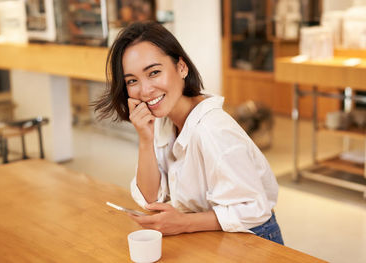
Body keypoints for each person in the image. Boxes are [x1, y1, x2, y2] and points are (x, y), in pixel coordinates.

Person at [94, 22, 283, 245]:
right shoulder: (163, 121)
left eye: (154, 72)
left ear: (181, 67)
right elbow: (150, 199)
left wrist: (184, 223)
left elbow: (254, 209)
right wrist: (145, 139)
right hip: (210, 235)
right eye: (132, 81)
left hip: (253, 238)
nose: (144, 91)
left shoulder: (214, 130)